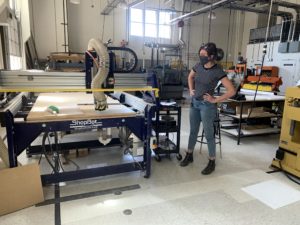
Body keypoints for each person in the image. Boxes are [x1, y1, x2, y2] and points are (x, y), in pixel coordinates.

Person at [180, 42, 236, 175]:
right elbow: (190, 76)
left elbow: (231, 91)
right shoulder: (198, 66)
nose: (201, 57)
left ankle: (212, 161)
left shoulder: (218, 71)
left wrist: (215, 100)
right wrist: (191, 89)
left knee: (209, 135)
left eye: (204, 55)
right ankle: (189, 155)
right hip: (195, 103)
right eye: (200, 54)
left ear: (211, 56)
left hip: (207, 106)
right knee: (193, 131)